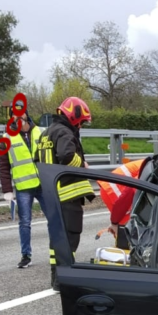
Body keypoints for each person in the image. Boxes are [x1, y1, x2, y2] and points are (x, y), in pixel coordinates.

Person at [35, 96, 96, 287]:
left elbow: (36, 159)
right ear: (74, 115)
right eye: (81, 122)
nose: (81, 126)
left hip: (51, 194)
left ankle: (57, 278)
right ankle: (66, 277)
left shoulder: (46, 134)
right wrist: (83, 164)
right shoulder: (64, 132)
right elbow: (67, 156)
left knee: (57, 238)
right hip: (68, 194)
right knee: (70, 235)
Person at [0, 111, 43, 268]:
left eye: (21, 114)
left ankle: (58, 250)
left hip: (43, 184)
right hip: (23, 187)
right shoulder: (6, 139)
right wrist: (7, 190)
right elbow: (3, 166)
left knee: (55, 218)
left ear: (27, 115)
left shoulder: (41, 132)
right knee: (25, 222)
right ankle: (26, 255)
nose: (18, 118)